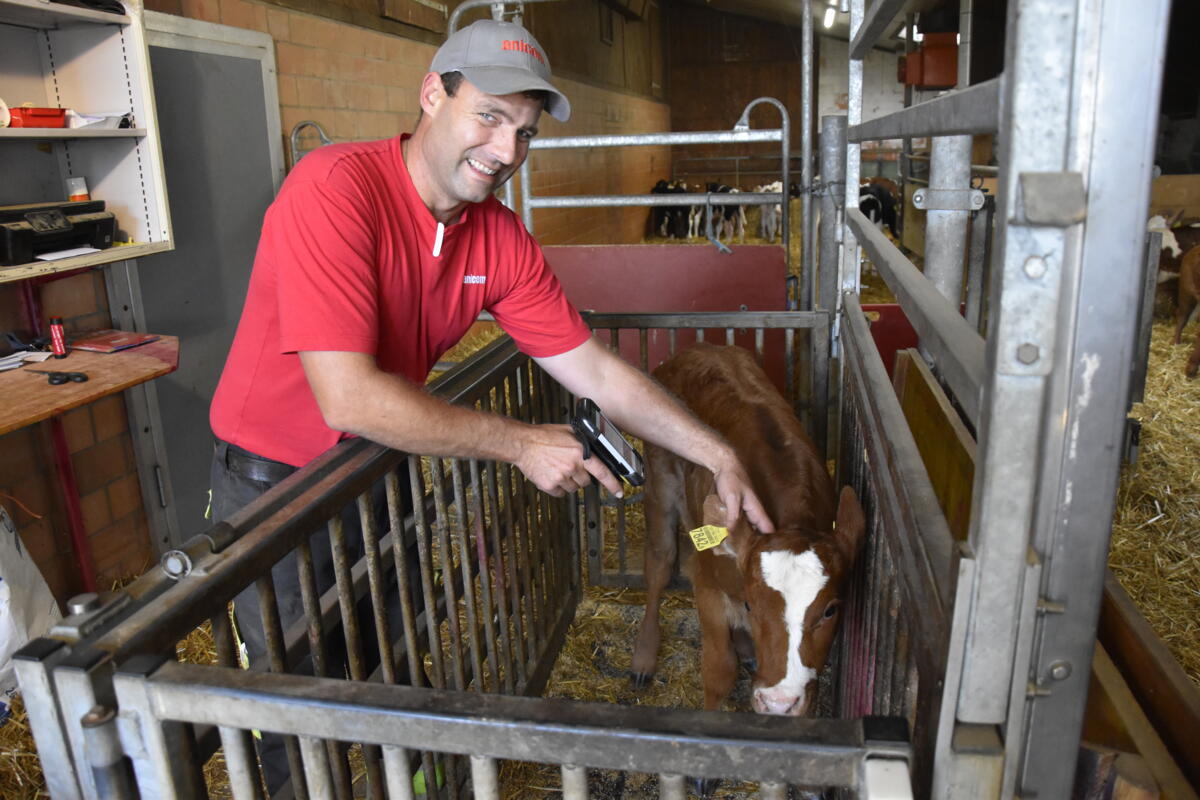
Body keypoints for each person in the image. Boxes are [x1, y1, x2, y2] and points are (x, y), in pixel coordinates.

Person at [208, 15, 774, 789]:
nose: (507, 152)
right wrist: (519, 443)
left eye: (525, 133)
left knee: (395, 665)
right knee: (291, 694)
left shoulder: (496, 238)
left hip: (379, 470)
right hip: (277, 481)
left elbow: (598, 374)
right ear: (431, 95)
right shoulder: (337, 189)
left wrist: (718, 453)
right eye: (489, 116)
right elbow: (346, 396)